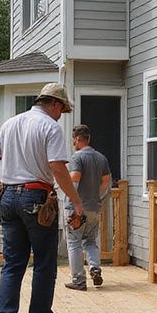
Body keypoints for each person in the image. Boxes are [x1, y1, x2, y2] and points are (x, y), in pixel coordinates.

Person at [0, 83, 85, 313]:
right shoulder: (49, 127)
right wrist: (75, 202)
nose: (61, 116)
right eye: (62, 110)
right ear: (55, 104)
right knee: (44, 264)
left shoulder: (11, 124)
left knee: (13, 264)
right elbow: (57, 168)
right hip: (36, 197)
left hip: (7, 197)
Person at [63, 124, 112, 291]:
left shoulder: (77, 157)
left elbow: (75, 178)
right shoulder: (101, 157)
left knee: (74, 242)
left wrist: (73, 200)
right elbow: (106, 181)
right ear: (89, 138)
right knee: (90, 241)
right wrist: (97, 197)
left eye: (73, 140)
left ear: (77, 139)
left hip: (77, 208)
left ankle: (78, 280)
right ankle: (95, 268)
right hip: (94, 207)